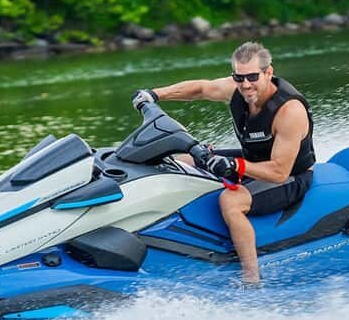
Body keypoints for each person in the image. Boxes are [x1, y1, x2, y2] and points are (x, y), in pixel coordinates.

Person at [132, 41, 315, 283]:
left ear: (268, 72)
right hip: (252, 160)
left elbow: (279, 172)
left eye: (252, 77)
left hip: (291, 175)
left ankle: (251, 278)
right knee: (179, 161)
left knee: (230, 200)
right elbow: (200, 89)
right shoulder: (237, 90)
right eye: (239, 77)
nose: (245, 84)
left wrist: (235, 166)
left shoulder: (289, 111)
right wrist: (154, 95)